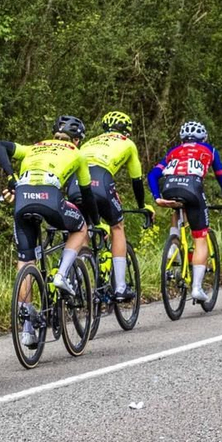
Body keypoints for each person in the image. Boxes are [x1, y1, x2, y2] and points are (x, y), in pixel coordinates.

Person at [0, 117, 88, 347]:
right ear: (76, 140)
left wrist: (10, 177)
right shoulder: (77, 153)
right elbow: (86, 194)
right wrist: (94, 221)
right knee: (81, 227)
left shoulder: (34, 148)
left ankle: (27, 330)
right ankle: (62, 274)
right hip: (50, 198)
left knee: (26, 261)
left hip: (23, 199)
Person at [147, 121, 222, 308]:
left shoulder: (173, 151)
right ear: (203, 138)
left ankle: (174, 244)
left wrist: (157, 197)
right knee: (200, 238)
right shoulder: (209, 150)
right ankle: (196, 287)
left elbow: (152, 175)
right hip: (193, 189)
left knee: (178, 207)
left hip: (169, 188)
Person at [71, 110, 152, 304]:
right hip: (100, 181)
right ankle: (120, 286)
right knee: (117, 226)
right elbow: (136, 180)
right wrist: (142, 205)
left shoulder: (89, 142)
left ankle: (77, 280)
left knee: (82, 229)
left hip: (74, 184)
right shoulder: (127, 143)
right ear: (127, 131)